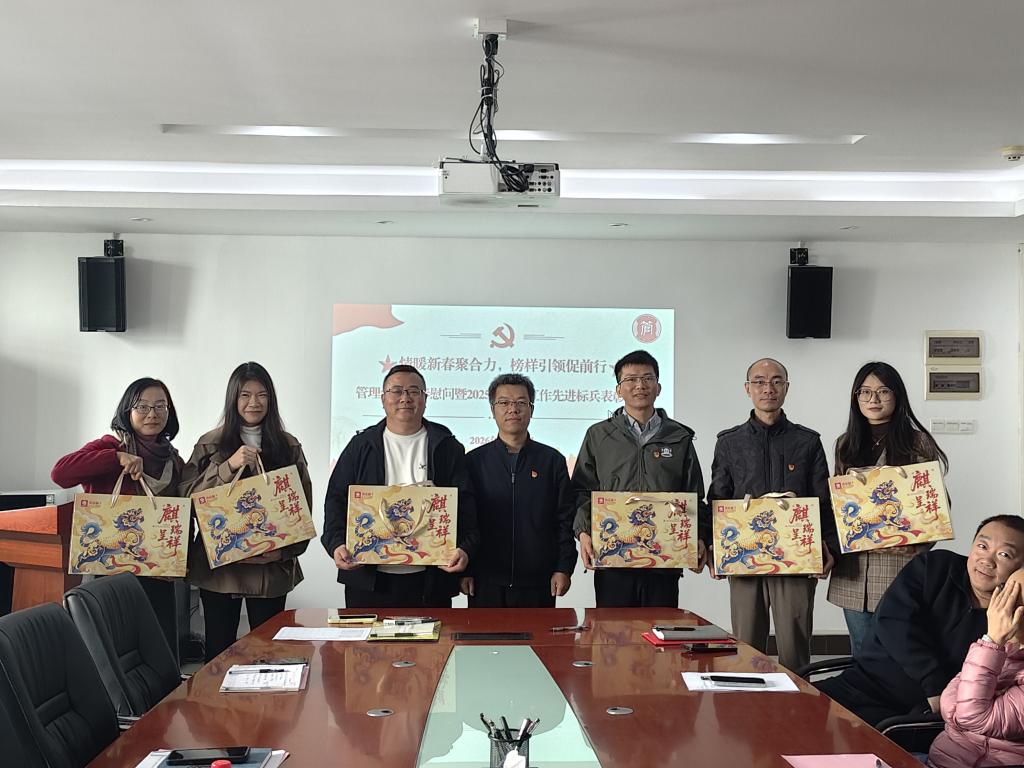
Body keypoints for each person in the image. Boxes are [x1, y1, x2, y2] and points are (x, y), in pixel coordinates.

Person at [816, 515, 1024, 727]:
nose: (987, 560)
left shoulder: (1012, 620)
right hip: (863, 685)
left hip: (920, 718)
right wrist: (934, 684)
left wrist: (938, 696)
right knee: (797, 707)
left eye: (1004, 554)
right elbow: (893, 622)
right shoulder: (935, 566)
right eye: (982, 546)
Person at [707, 357, 837, 672]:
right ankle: (749, 700)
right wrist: (714, 548)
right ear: (747, 389)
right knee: (746, 644)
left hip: (796, 557)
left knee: (794, 646)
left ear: (786, 387)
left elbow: (823, 499)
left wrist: (829, 546)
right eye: (760, 382)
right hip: (744, 557)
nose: (768, 388)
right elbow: (718, 498)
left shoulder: (807, 441)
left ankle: (799, 700)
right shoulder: (729, 442)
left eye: (776, 381)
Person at [180, 362, 311, 662]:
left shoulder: (288, 446)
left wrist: (283, 552)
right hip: (221, 572)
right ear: (233, 399)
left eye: (262, 395)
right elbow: (187, 499)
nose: (254, 402)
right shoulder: (210, 443)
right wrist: (228, 467)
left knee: (270, 654)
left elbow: (302, 506)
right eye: (245, 395)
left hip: (270, 569)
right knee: (219, 654)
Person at [322, 364, 478, 608]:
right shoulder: (360, 446)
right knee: (367, 635)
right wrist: (336, 544)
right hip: (369, 576)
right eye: (396, 391)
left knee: (433, 634)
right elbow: (336, 499)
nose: (405, 398)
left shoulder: (447, 447)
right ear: (383, 399)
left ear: (425, 399)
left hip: (429, 577)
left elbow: (466, 504)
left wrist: (465, 549)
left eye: (414, 391)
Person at [51, 376, 184, 663]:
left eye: (160, 406)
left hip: (158, 577)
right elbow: (60, 473)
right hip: (108, 574)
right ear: (127, 411)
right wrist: (115, 458)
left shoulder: (174, 460)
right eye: (142, 406)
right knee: (113, 661)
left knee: (162, 659)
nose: (152, 413)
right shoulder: (109, 446)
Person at [827, 361, 949, 656]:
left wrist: (917, 542)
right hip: (854, 571)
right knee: (861, 652)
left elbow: (935, 503)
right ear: (856, 397)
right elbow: (838, 505)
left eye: (883, 391)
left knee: (900, 652)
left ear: (897, 396)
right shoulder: (845, 445)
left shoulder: (917, 443)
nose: (874, 399)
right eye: (865, 391)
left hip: (899, 565)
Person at [572, 350, 708, 608]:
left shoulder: (678, 437)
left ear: (658, 387)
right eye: (631, 379)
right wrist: (583, 532)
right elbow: (582, 491)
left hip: (664, 560)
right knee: (613, 630)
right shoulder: (599, 436)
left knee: (661, 628)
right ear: (618, 390)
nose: (640, 385)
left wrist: (699, 536)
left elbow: (693, 495)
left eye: (647, 378)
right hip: (613, 560)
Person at [461, 374, 576, 608]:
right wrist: (465, 571)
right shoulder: (474, 462)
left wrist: (563, 568)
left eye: (521, 402)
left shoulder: (551, 461)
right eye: (504, 402)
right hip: (486, 580)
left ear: (531, 409)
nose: (513, 409)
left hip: (539, 581)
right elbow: (466, 520)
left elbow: (565, 519)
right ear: (493, 410)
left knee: (539, 634)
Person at [928, 570, 1024, 768]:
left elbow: (972, 717)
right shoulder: (1006, 651)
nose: (1001, 609)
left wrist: (992, 640)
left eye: (1014, 600)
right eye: (1005, 593)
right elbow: (949, 703)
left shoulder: (993, 647)